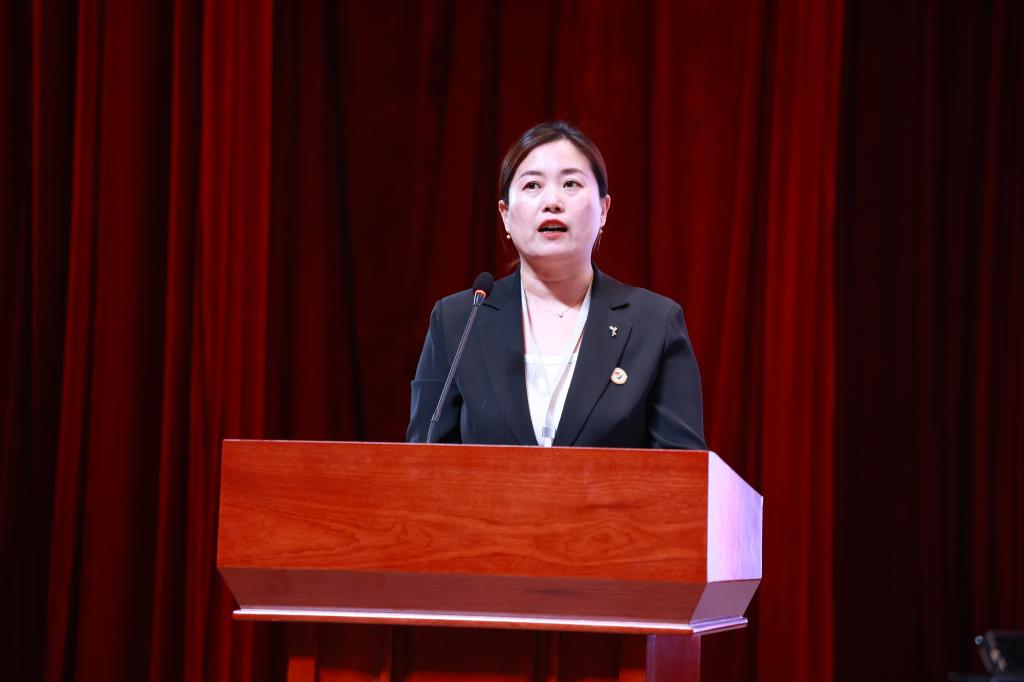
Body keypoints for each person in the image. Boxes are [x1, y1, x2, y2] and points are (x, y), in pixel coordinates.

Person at [407, 121, 706, 450]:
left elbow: (682, 469)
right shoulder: (458, 320)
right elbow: (423, 462)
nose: (552, 201)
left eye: (570, 183)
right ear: (505, 214)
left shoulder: (655, 324)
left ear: (603, 210)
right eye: (532, 185)